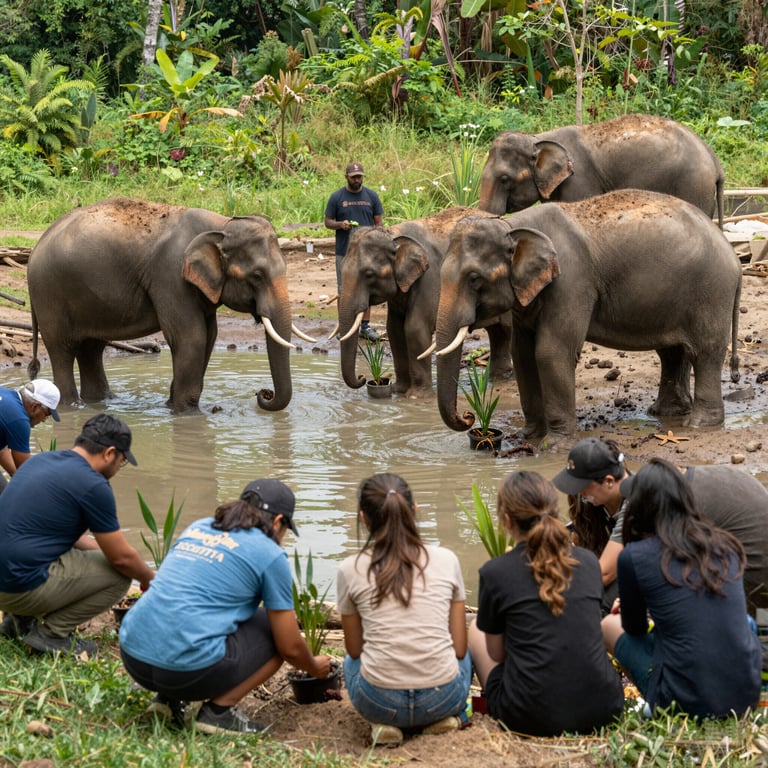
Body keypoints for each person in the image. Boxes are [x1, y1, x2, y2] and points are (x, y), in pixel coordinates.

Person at [119, 478, 332, 735]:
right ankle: (219, 712)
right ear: (277, 522)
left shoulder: (199, 527)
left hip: (134, 655)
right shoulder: (269, 552)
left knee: (195, 610)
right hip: (185, 671)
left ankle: (167, 699)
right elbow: (289, 648)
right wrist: (313, 666)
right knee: (271, 628)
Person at [601, 458, 762, 718]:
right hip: (745, 697)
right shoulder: (725, 544)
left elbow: (635, 630)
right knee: (744, 621)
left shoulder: (634, 556)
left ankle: (655, 702)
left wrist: (639, 608)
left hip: (683, 703)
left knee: (608, 626)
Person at [468, 471, 623, 737]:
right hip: (603, 708)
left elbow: (496, 654)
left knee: (474, 629)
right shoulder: (587, 562)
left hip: (529, 718)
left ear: (507, 520)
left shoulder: (495, 572)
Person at [552, 437, 768, 616]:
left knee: (607, 603)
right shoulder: (652, 484)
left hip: (754, 569)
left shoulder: (643, 502)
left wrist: (549, 591)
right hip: (734, 549)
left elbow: (605, 575)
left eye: (581, 487)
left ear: (609, 481)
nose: (579, 494)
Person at [0, 413, 153, 655]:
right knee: (120, 576)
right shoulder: (94, 485)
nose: (118, 467)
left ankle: (16, 623)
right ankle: (52, 634)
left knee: (35, 552)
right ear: (110, 453)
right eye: (122, 460)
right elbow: (121, 559)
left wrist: (108, 551)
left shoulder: (41, 461)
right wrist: (149, 578)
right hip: (18, 589)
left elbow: (62, 538)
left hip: (6, 585)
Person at [336, 473, 472, 747]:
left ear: (364, 518)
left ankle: (385, 725)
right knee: (464, 653)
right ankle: (443, 720)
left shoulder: (350, 569)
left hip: (379, 702)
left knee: (350, 663)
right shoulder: (447, 560)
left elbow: (354, 650)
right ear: (415, 511)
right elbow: (458, 649)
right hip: (442, 698)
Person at [324, 161, 384, 342]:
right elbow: (328, 222)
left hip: (367, 252)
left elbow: (379, 224)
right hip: (344, 252)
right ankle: (346, 325)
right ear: (346, 177)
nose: (357, 180)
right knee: (344, 290)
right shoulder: (337, 197)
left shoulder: (371, 196)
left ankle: (365, 326)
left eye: (360, 177)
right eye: (354, 177)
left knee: (366, 289)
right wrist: (340, 225)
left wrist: (374, 239)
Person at [0, 379, 61, 493]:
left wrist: (15, 476)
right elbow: (26, 473)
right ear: (35, 407)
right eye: (47, 414)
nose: (43, 420)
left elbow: (1, 450)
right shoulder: (19, 420)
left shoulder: (5, 393)